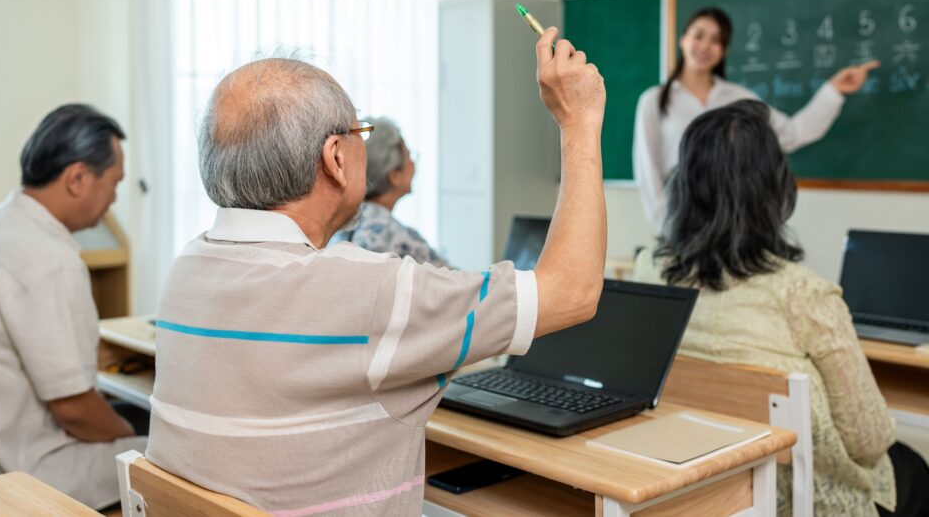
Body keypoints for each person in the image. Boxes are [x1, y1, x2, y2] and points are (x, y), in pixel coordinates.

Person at [146, 30, 607, 515]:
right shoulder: (368, 291)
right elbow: (571, 293)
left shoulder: (186, 270)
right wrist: (579, 122)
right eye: (359, 132)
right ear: (335, 158)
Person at [633, 99, 929, 517]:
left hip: (703, 485)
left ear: (683, 185)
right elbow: (869, 441)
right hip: (796, 498)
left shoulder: (649, 270)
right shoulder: (804, 294)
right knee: (912, 468)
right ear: (773, 188)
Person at [0, 104, 147, 510]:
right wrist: (125, 430)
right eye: (114, 183)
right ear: (78, 178)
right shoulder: (50, 261)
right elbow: (74, 409)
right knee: (158, 450)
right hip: (26, 470)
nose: (114, 198)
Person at [633, 6, 880, 228]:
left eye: (716, 40)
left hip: (735, 221)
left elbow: (792, 134)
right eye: (698, 36)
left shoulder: (738, 97)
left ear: (724, 50)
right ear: (683, 39)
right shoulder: (654, 100)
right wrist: (669, 225)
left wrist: (833, 90)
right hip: (681, 217)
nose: (705, 46)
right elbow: (647, 168)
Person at [333, 116, 449, 267]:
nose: (413, 164)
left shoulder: (342, 226)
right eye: (409, 156)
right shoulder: (398, 239)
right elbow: (451, 278)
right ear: (394, 175)